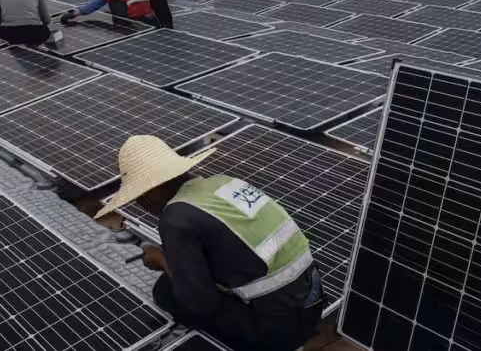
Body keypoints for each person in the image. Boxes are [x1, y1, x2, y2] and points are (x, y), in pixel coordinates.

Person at [95, 136, 324, 351]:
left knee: (166, 291)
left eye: (139, 198)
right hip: (313, 301)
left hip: (281, 331)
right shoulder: (224, 183)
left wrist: (163, 260)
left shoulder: (176, 218)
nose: (142, 206)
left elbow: (200, 302)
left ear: (153, 191)